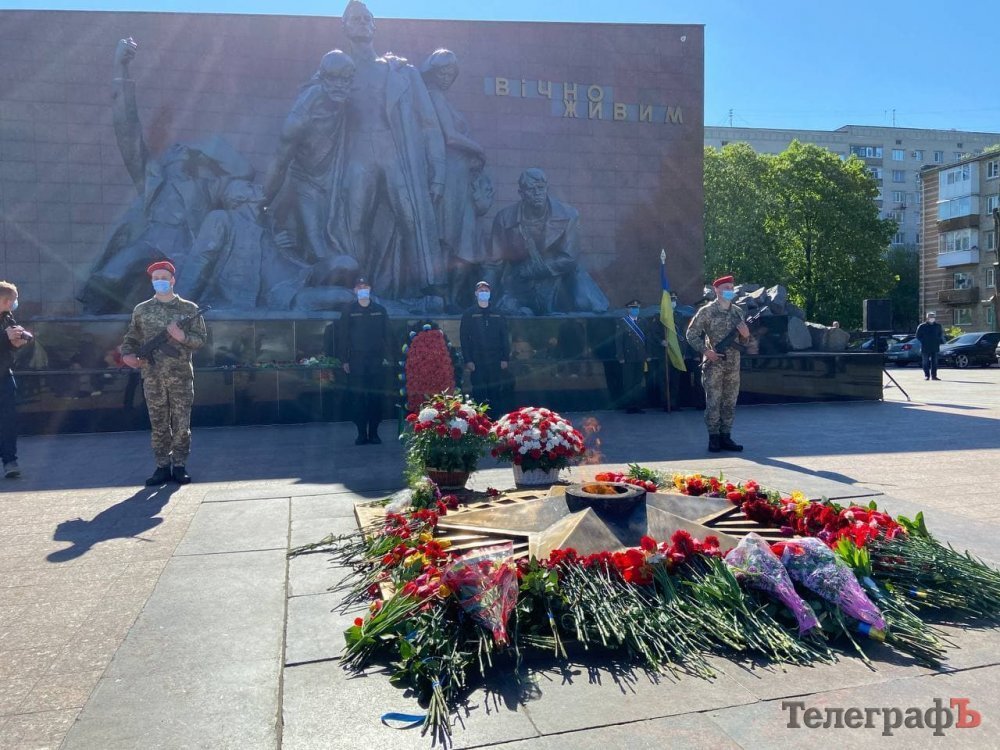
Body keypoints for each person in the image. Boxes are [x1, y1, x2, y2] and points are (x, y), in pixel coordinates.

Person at [121, 261, 207, 485]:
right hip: (152, 376)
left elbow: (200, 341)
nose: (160, 281)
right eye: (156, 278)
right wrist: (127, 354)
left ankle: (179, 465)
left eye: (164, 278)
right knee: (158, 423)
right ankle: (161, 466)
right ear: (152, 281)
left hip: (180, 376)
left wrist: (182, 337)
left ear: (172, 281)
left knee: (181, 424)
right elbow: (131, 337)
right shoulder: (142, 309)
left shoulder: (189, 309)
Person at [489, 168, 609, 315]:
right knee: (507, 308)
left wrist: (532, 270)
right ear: (521, 193)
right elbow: (493, 264)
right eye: (531, 189)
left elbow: (569, 258)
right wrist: (483, 292)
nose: (537, 193)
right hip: (522, 285)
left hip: (560, 282)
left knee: (584, 305)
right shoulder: (504, 218)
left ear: (547, 188)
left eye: (541, 188)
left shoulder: (569, 215)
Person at [686, 275, 750, 452]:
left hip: (733, 365)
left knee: (730, 402)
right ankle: (713, 437)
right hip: (714, 365)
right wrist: (706, 351)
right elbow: (691, 334)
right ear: (716, 290)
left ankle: (726, 436)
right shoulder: (706, 311)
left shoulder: (738, 311)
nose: (730, 291)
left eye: (731, 288)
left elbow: (744, 342)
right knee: (714, 402)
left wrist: (746, 335)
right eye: (726, 288)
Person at [336, 278, 388, 444]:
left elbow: (387, 334)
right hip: (356, 360)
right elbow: (343, 336)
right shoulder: (348, 310)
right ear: (354, 290)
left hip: (375, 359)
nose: (362, 289)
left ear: (370, 288)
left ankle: (374, 433)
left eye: (365, 286)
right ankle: (361, 433)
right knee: (357, 398)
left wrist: (389, 357)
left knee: (375, 397)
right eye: (359, 286)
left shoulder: (379, 310)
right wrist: (344, 360)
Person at [459, 281, 509, 415]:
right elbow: (464, 339)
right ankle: (479, 420)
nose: (484, 293)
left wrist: (505, 358)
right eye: (481, 290)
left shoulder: (498, 313)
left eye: (486, 291)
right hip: (477, 360)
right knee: (478, 392)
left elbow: (504, 337)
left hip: (495, 359)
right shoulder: (469, 314)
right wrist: (468, 360)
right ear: (476, 293)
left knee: (495, 391)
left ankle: (496, 419)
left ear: (490, 293)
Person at [1, 281, 33, 478]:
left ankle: (10, 461)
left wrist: (16, 342)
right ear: (6, 300)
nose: (15, 304)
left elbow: (8, 344)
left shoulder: (7, 317)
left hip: (4, 375)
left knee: (8, 420)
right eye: (14, 300)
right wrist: (4, 336)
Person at [616, 300, 651, 413]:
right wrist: (620, 356)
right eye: (633, 308)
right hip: (628, 357)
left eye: (637, 308)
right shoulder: (623, 322)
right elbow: (619, 340)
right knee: (628, 382)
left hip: (640, 357)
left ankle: (637, 405)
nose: (635, 310)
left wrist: (647, 354)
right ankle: (629, 406)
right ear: (628, 309)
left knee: (638, 382)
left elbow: (647, 339)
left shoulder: (643, 322)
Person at [915, 310, 946, 381]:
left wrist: (938, 340)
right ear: (927, 318)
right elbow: (917, 335)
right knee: (925, 362)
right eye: (930, 317)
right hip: (925, 347)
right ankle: (927, 375)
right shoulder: (922, 326)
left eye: (933, 317)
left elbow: (940, 334)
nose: (932, 318)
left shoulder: (938, 326)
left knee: (934, 362)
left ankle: (934, 376)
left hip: (935, 347)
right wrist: (923, 341)